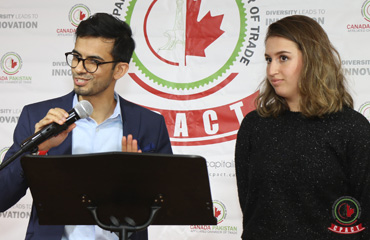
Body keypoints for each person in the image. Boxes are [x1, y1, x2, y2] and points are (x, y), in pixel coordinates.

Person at [0, 13, 172, 240]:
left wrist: (136, 181)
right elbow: (3, 196)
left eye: (93, 62)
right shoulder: (38, 117)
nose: (79, 68)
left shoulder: (150, 124)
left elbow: (168, 205)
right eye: (76, 57)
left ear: (119, 70)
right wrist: (39, 149)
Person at [235, 15, 370, 240]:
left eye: (283, 58)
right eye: (269, 59)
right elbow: (250, 209)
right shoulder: (254, 126)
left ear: (313, 60)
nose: (272, 71)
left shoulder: (351, 128)